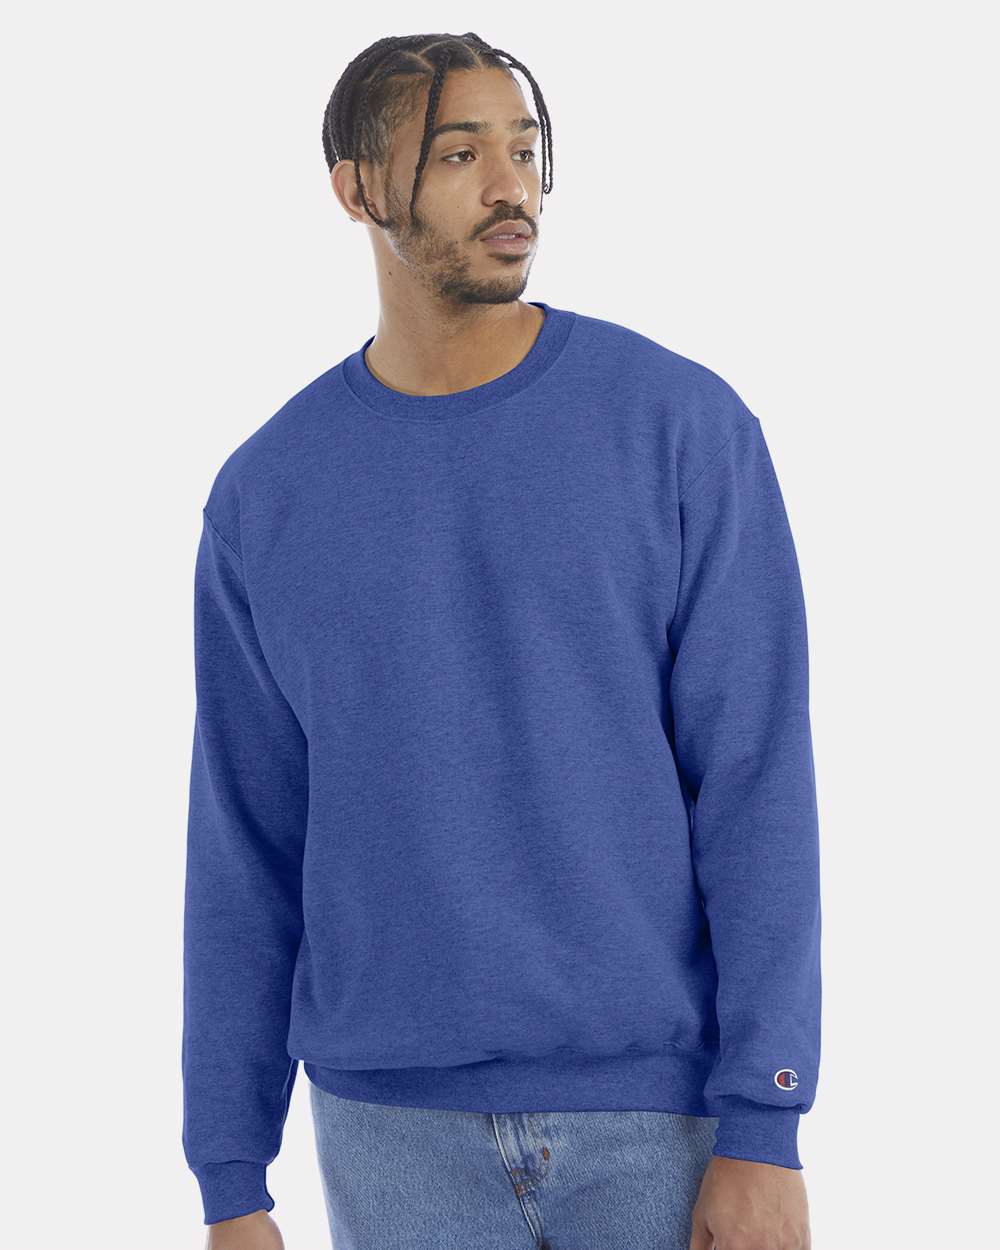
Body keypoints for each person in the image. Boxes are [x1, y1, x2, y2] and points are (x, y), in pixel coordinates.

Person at [181, 31, 821, 1250]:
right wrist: (230, 1176)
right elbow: (245, 845)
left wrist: (765, 1116)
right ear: (357, 188)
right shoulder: (268, 493)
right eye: (459, 154)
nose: (508, 186)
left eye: (522, 151)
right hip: (388, 1134)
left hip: (658, 1121)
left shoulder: (679, 428)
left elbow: (756, 783)